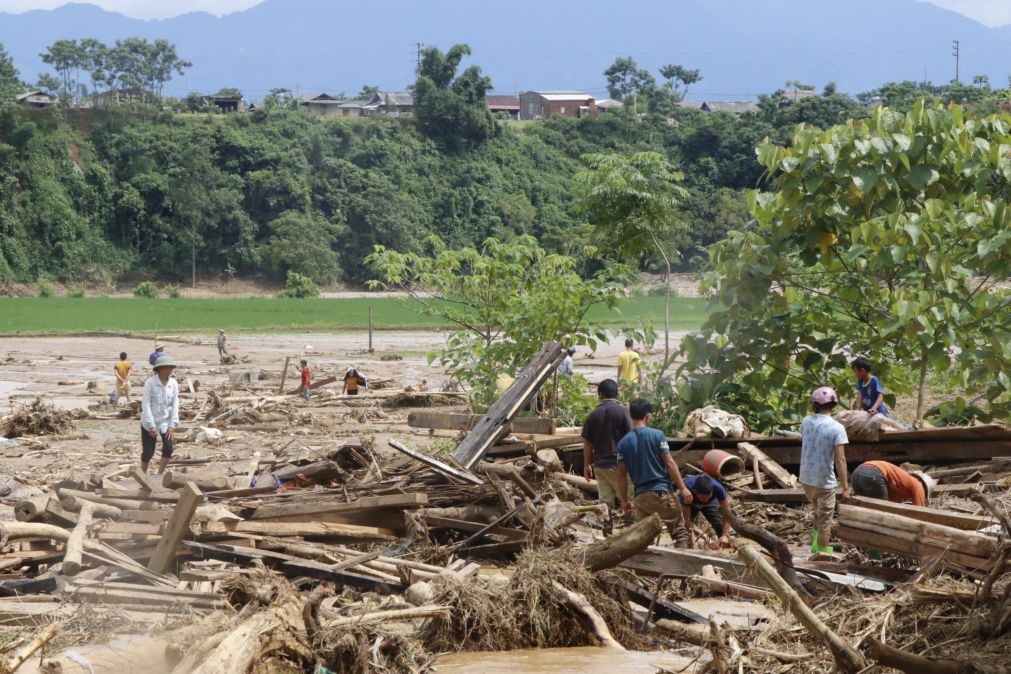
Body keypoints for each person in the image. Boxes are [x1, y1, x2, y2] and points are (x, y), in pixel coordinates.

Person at [616, 398, 692, 547]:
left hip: (641, 498)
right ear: (648, 416)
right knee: (679, 532)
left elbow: (621, 476)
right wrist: (682, 488)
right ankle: (684, 566)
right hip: (662, 493)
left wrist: (625, 500)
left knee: (644, 538)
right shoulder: (657, 435)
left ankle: (645, 569)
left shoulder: (623, 443)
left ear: (631, 416)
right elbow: (669, 462)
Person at [799, 386, 851, 554]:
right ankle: (821, 553)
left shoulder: (806, 421)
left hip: (806, 479)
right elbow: (840, 459)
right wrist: (845, 487)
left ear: (814, 404)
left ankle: (815, 546)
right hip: (824, 481)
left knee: (817, 513)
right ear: (834, 404)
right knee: (825, 520)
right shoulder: (837, 428)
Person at [581, 379, 632, 508]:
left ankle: (607, 527)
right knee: (630, 501)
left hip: (600, 466)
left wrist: (586, 465)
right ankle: (632, 526)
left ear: (600, 395)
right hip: (620, 466)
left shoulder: (592, 415)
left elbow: (588, 443)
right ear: (616, 394)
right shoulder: (624, 412)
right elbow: (632, 438)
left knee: (605, 504)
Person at [140, 355, 179, 474]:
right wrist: (151, 425)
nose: (168, 370)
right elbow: (146, 404)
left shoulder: (173, 383)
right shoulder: (150, 383)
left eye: (170, 368)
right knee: (148, 453)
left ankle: (159, 474)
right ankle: (142, 475)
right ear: (159, 369)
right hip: (149, 423)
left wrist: (172, 424)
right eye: (165, 368)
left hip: (166, 422)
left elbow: (175, 403)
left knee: (168, 448)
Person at [680, 474, 734, 549]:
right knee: (685, 530)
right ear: (695, 492)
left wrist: (725, 535)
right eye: (703, 498)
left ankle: (723, 547)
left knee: (720, 525)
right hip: (691, 502)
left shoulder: (718, 488)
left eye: (708, 497)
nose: (706, 500)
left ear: (712, 491)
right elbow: (686, 521)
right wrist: (704, 537)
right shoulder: (687, 490)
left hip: (711, 503)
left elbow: (727, 513)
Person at [851, 461, 934, 506]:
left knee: (864, 507)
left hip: (856, 472)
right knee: (884, 510)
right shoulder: (918, 485)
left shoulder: (901, 482)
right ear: (925, 489)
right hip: (873, 473)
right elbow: (919, 513)